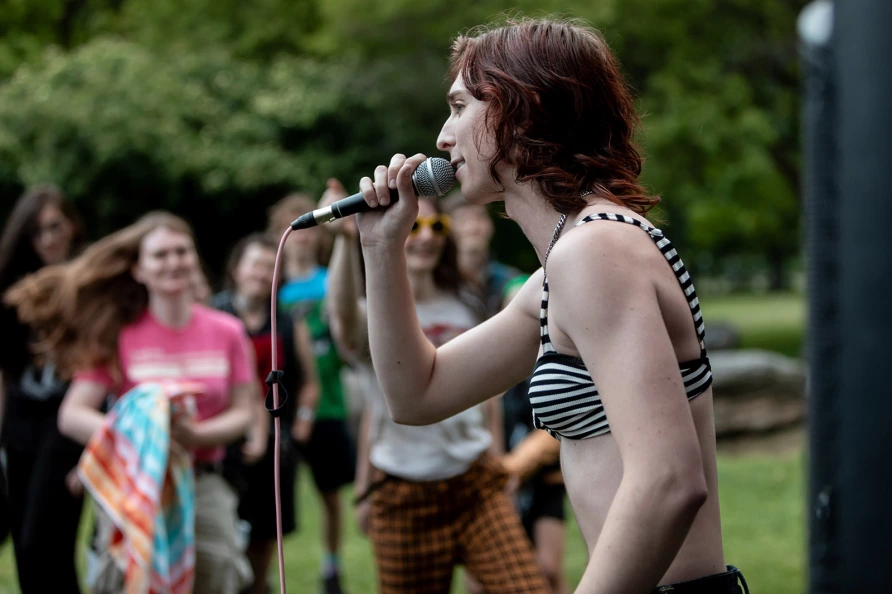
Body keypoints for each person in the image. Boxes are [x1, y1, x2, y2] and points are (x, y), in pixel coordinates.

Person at [350, 17, 747, 594]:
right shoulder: (562, 270)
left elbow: (668, 479)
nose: (442, 136)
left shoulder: (595, 251)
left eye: (460, 107)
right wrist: (380, 247)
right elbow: (418, 394)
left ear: (520, 108)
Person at [5, 211, 256, 594]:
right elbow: (72, 415)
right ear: (138, 269)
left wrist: (198, 436)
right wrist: (144, 434)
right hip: (135, 485)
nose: (174, 262)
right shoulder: (118, 335)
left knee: (214, 576)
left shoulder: (229, 331)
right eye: (160, 255)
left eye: (182, 252)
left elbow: (244, 410)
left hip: (204, 481)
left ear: (195, 259)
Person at [325, 181, 548, 594]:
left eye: (436, 227)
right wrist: (344, 241)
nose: (425, 236)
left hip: (474, 484)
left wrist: (497, 463)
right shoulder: (371, 314)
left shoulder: (467, 303)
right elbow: (342, 322)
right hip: (402, 491)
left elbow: (489, 398)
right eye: (414, 226)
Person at [213, 233, 321, 594]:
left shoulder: (288, 323)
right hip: (221, 442)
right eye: (254, 265)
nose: (261, 274)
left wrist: (303, 422)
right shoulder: (214, 316)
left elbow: (309, 382)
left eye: (266, 266)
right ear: (236, 270)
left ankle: (258, 586)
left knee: (264, 535)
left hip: (276, 445)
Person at [0, 185, 87, 593]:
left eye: (54, 226)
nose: (48, 239)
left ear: (70, 224)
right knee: (24, 545)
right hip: (20, 419)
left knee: (46, 541)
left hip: (66, 418)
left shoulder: (90, 281)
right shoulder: (11, 288)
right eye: (36, 232)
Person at [268, 194, 355, 594]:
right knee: (272, 495)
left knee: (330, 494)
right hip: (279, 407)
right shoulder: (270, 284)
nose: (300, 238)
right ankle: (267, 571)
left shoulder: (329, 280)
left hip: (329, 401)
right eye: (289, 225)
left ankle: (331, 565)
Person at [444, 192, 521, 319]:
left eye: (480, 217)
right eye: (462, 220)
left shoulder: (510, 280)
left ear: (491, 226)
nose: (473, 227)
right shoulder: (435, 284)